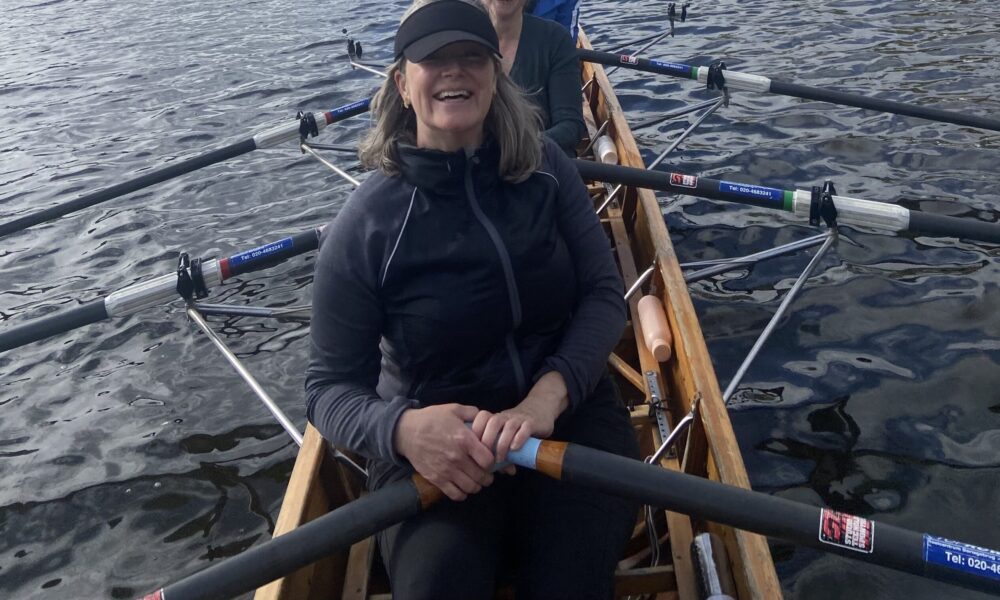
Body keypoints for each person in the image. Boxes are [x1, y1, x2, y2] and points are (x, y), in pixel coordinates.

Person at [305, 0, 639, 597]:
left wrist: (546, 398)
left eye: (471, 56)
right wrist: (403, 430)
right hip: (435, 449)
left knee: (569, 583)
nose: (454, 71)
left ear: (495, 74)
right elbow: (328, 390)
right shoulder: (366, 226)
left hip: (567, 419)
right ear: (402, 84)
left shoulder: (546, 167)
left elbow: (603, 295)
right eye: (434, 59)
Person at [483, 0, 585, 155]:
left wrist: (517, 149)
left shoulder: (556, 39)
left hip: (537, 162)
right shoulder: (459, 39)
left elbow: (571, 126)